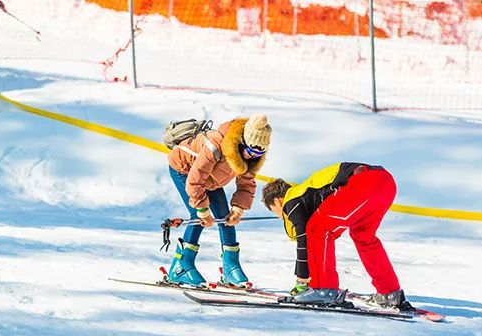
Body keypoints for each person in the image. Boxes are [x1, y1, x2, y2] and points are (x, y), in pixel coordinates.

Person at [261, 162, 413, 310]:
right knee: (363, 236)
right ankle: (389, 292)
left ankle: (324, 289)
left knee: (317, 229)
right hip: (385, 182)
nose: (279, 216)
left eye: (273, 210)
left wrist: (301, 280)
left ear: (277, 200)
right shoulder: (305, 191)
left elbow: (304, 238)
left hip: (363, 182)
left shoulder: (291, 200)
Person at [167, 114, 272, 287]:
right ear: (243, 141)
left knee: (225, 218)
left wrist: (238, 209)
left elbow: (246, 183)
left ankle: (230, 267)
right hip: (184, 170)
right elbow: (195, 179)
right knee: (197, 215)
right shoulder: (217, 144)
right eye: (252, 150)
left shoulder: (251, 156)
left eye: (260, 153)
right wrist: (203, 210)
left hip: (210, 179)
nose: (253, 156)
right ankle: (180, 267)